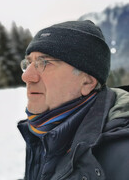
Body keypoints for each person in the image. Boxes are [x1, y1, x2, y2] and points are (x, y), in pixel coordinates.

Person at [17, 20, 129, 180]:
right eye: (28, 63)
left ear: (87, 82)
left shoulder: (123, 155)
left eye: (45, 62)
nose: (26, 76)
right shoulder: (46, 133)